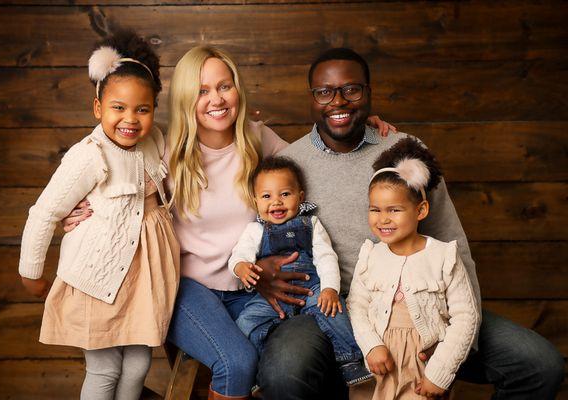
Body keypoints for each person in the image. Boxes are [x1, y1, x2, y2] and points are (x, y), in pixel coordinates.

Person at [63, 45, 394, 399]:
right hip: (186, 288)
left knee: (285, 366)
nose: (216, 99)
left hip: (249, 288)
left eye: (224, 86)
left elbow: (315, 158)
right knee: (236, 362)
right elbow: (107, 156)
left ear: (238, 89)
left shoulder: (258, 138)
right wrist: (79, 206)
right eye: (202, 90)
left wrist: (362, 131)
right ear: (187, 98)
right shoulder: (162, 145)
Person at [255, 47, 564, 400]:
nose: (338, 101)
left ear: (369, 93)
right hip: (331, 306)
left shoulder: (404, 150)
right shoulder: (289, 164)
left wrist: (454, 339)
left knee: (540, 364)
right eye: (325, 92)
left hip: (421, 301)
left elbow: (454, 244)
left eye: (351, 89)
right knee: (283, 371)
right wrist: (259, 270)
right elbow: (265, 232)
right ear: (312, 98)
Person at [18, 30, 180, 400]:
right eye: (118, 108)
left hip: (145, 277)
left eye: (142, 109)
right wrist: (31, 273)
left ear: (154, 109)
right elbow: (44, 212)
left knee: (138, 366)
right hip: (99, 277)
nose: (131, 119)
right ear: (98, 108)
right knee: (105, 367)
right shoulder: (89, 155)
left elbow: (186, 158)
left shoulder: (156, 139)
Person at [347, 137, 481, 399]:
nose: (383, 219)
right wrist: (371, 346)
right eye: (375, 209)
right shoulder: (370, 256)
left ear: (420, 210)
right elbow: (357, 306)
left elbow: (466, 318)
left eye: (394, 210)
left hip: (422, 369)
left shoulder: (444, 257)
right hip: (376, 365)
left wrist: (439, 373)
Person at [229, 156, 372, 387]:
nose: (276, 202)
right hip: (271, 296)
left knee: (335, 310)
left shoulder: (311, 224)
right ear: (256, 201)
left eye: (285, 194)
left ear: (300, 196)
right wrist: (241, 267)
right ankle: (258, 368)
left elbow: (326, 257)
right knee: (245, 323)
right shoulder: (255, 230)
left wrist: (329, 289)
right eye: (267, 196)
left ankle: (351, 362)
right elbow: (239, 254)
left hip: (311, 288)